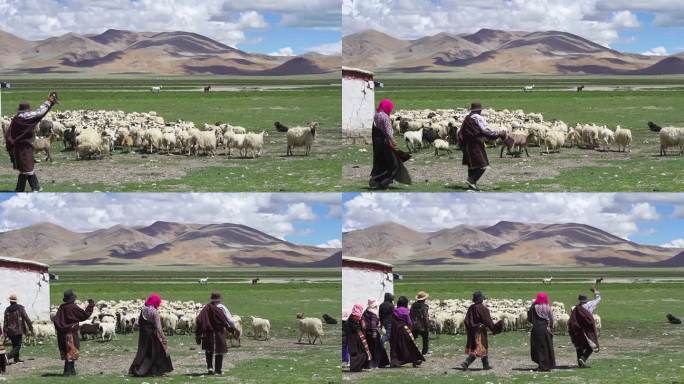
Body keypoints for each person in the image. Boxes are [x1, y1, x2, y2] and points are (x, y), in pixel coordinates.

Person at [4, 92, 58, 192]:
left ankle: (20, 189)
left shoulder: (16, 119)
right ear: (27, 109)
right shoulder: (28, 117)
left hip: (17, 147)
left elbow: (9, 134)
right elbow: (40, 112)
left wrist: (10, 146)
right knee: (28, 167)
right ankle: (35, 188)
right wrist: (49, 102)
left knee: (24, 169)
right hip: (25, 147)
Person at [457, 101, 507, 191]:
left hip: (467, 144)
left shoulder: (467, 118)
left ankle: (471, 186)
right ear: (479, 110)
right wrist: (497, 133)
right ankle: (472, 180)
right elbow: (485, 130)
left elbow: (462, 132)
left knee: (472, 165)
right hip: (476, 143)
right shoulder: (478, 118)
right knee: (482, 164)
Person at [369, 98, 411, 189]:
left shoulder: (376, 115)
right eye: (390, 108)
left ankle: (377, 181)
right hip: (385, 143)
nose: (390, 110)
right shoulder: (385, 117)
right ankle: (383, 182)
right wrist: (393, 141)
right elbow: (388, 131)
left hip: (378, 143)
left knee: (382, 162)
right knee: (395, 164)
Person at [129, 293, 173, 377]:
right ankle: (154, 371)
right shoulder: (154, 312)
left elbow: (140, 322)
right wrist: (163, 337)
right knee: (157, 352)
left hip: (143, 335)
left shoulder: (143, 309)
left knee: (143, 352)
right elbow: (158, 327)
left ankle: (137, 369)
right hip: (152, 335)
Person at [52, 289, 95, 376]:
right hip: (70, 333)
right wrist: (90, 306)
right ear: (72, 299)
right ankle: (67, 372)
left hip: (62, 333)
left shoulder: (62, 307)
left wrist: (61, 328)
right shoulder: (73, 307)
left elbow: (56, 320)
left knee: (69, 351)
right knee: (71, 351)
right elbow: (84, 315)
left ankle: (72, 370)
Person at [195, 292, 235, 375]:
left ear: (211, 299)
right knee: (219, 351)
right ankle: (218, 370)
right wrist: (232, 328)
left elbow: (199, 319)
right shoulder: (222, 307)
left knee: (209, 350)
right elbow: (230, 320)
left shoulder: (206, 308)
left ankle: (210, 367)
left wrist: (198, 334)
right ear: (219, 299)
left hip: (208, 332)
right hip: (218, 332)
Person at [461, 291, 503, 371]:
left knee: (482, 347)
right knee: (479, 347)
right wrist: (494, 328)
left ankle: (486, 365)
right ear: (481, 299)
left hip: (472, 331)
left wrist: (471, 327)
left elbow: (467, 320)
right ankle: (466, 362)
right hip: (479, 332)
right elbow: (488, 321)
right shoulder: (483, 309)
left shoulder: (471, 308)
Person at [568, 287, 601, 368]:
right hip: (587, 329)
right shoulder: (590, 305)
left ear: (579, 300)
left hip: (577, 330)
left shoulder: (574, 308)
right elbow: (598, 299)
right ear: (586, 299)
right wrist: (595, 292)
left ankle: (580, 363)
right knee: (591, 346)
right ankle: (583, 358)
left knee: (579, 345)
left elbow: (572, 319)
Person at [389, 296, 425, 368]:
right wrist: (410, 329)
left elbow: (392, 321)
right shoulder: (406, 311)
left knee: (397, 346)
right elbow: (409, 322)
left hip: (395, 330)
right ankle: (415, 360)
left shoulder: (395, 310)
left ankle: (396, 361)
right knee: (410, 344)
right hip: (404, 329)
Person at [527, 292, 556, 371]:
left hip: (536, 328)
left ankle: (541, 365)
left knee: (538, 347)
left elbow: (529, 318)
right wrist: (551, 326)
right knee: (546, 346)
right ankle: (547, 365)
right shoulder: (548, 307)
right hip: (546, 328)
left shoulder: (534, 307)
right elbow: (551, 318)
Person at [3, 294, 33, 365]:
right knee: (18, 345)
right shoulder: (20, 308)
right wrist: (31, 327)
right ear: (16, 301)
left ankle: (16, 359)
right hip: (18, 330)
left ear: (10, 302)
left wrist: (5, 332)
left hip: (10, 330)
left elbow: (5, 322)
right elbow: (26, 318)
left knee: (14, 344)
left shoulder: (7, 310)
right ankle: (7, 356)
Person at [363, 298, 389, 368]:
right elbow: (373, 323)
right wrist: (374, 332)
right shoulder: (373, 313)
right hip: (373, 333)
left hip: (367, 332)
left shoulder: (366, 311)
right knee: (377, 348)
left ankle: (369, 364)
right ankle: (378, 363)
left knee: (370, 348)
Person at [347, 303, 371, 372]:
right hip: (354, 340)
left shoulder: (356, 319)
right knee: (356, 353)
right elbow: (356, 329)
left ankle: (358, 367)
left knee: (362, 353)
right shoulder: (352, 320)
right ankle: (355, 368)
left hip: (357, 339)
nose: (357, 317)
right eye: (356, 316)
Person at [410, 291, 430, 355]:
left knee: (413, 339)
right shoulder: (425, 306)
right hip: (422, 326)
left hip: (414, 325)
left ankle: (412, 351)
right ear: (424, 299)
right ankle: (424, 352)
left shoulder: (413, 306)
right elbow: (425, 317)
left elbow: (410, 315)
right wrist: (427, 325)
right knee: (425, 338)